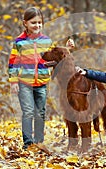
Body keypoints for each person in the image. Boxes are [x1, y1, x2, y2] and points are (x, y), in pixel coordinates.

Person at [8, 7, 74, 150]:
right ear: (25, 23)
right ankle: (28, 143)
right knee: (28, 111)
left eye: (39, 23)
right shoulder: (19, 42)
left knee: (40, 112)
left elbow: (55, 56)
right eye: (33, 23)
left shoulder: (46, 41)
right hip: (24, 82)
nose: (37, 26)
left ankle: (39, 142)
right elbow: (13, 62)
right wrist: (13, 82)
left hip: (42, 82)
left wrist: (67, 47)